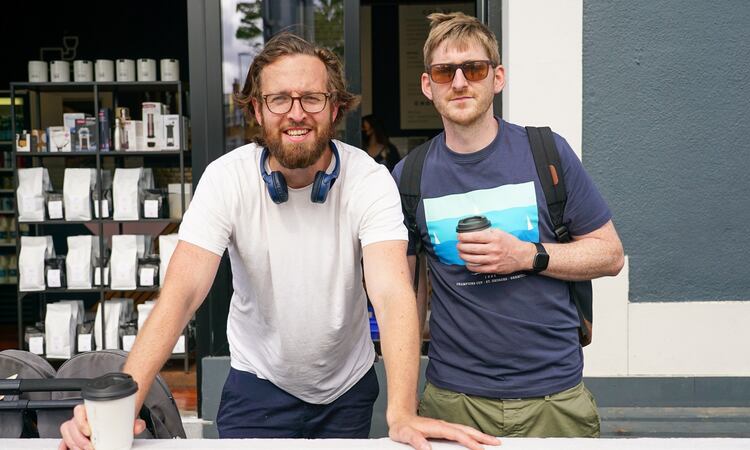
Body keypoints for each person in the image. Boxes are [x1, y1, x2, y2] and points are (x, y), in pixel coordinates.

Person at [59, 32, 498, 450]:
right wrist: (124, 403)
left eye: (312, 98)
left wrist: (402, 411)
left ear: (334, 108)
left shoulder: (368, 178)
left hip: (347, 388)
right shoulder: (226, 178)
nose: (296, 112)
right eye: (278, 99)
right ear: (256, 110)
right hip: (257, 385)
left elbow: (390, 291)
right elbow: (182, 293)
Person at [392, 13, 624, 438]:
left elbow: (610, 255)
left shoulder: (546, 151)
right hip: (453, 398)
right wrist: (404, 409)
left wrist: (527, 254)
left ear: (497, 77)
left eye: (474, 69)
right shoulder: (410, 176)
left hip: (555, 397)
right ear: (428, 86)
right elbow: (403, 299)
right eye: (445, 72)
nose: (460, 82)